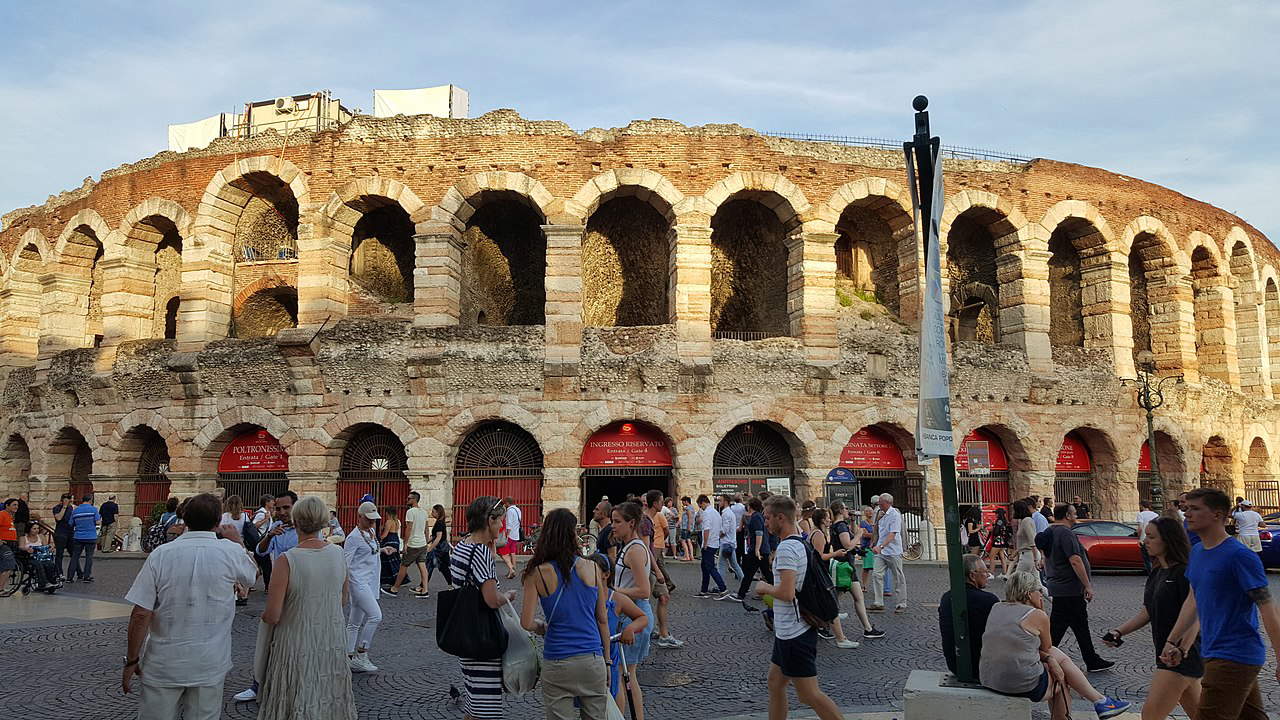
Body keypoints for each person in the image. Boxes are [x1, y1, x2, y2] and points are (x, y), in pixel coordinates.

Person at [122, 493, 258, 720]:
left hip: (163, 661)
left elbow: (141, 613)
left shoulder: (161, 554)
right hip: (209, 662)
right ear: (218, 522)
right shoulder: (230, 551)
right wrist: (238, 542)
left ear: (184, 519)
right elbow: (252, 575)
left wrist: (132, 659)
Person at [1163, 488, 1280, 720]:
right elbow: (1193, 599)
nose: (1187, 514)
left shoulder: (1240, 556)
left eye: (1195, 509)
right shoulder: (1197, 552)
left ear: (1217, 515)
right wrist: (1173, 641)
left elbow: (1268, 609)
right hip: (1213, 650)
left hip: (1236, 655)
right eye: (1186, 508)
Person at [256, 495, 357, 719]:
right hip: (330, 641)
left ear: (296, 521)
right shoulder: (338, 554)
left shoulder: (287, 560)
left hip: (295, 643)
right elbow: (342, 600)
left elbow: (273, 615)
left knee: (295, 699)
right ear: (323, 522)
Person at [980, 571, 1130, 719]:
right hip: (1020, 684)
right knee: (1061, 675)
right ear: (1029, 593)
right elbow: (1047, 648)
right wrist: (1041, 611)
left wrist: (1050, 660)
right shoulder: (1036, 615)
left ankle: (1101, 701)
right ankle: (1099, 702)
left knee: (1055, 662)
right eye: (1038, 590)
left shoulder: (997, 607)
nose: (1041, 594)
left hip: (989, 678)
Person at [754, 495, 846, 720]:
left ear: (780, 517)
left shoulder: (786, 549)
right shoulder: (801, 542)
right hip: (789, 630)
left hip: (795, 632)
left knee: (809, 695)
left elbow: (786, 593)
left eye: (767, 518)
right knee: (775, 683)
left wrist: (764, 587)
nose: (765, 523)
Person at [1103, 516, 1201, 720]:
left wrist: (1180, 647)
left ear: (1167, 540)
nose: (1145, 541)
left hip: (1181, 654)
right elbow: (1148, 611)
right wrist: (1118, 631)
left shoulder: (1185, 573)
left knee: (1150, 715)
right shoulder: (1157, 573)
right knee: (1200, 714)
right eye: (1145, 536)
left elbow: (1197, 613)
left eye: (1151, 536)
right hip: (1167, 651)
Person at [520, 508, 612, 720]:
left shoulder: (537, 572)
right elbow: (602, 620)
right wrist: (607, 662)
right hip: (592, 657)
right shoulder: (593, 568)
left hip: (558, 659)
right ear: (573, 534)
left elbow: (526, 622)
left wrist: (541, 627)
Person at [450, 496, 517, 720]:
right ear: (489, 520)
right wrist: (507, 595)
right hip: (483, 638)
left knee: (472, 705)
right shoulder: (480, 553)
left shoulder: (462, 546)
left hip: (466, 633)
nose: (502, 526)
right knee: (485, 710)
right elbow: (490, 599)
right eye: (500, 521)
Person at [235, 489, 298, 703]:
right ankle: (257, 685)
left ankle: (291, 685)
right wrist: (269, 535)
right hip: (278, 590)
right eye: (278, 508)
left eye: (285, 508)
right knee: (267, 640)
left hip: (298, 593)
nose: (281, 512)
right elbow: (261, 552)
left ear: (295, 507)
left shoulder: (306, 530)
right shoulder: (275, 526)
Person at [1036, 503, 1113, 672]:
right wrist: (1087, 585)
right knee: (1058, 627)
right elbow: (1075, 560)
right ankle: (1041, 657)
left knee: (1078, 625)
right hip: (1069, 588)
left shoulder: (1051, 531)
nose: (1076, 515)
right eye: (1073, 513)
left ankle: (1091, 659)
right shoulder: (1065, 533)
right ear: (1067, 515)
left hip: (1060, 586)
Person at [611, 501, 655, 719]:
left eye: (617, 522)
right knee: (627, 675)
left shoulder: (635, 549)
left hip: (634, 615)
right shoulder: (630, 546)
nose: (613, 526)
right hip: (631, 614)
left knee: (621, 675)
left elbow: (643, 589)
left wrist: (614, 590)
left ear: (631, 523)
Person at [345, 501, 392, 672]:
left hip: (370, 581)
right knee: (375, 616)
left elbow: (369, 552)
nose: (373, 523)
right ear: (359, 517)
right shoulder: (353, 538)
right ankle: (362, 654)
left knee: (354, 623)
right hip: (358, 582)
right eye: (369, 519)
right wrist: (344, 587)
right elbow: (346, 563)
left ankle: (347, 657)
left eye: (374, 520)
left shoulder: (371, 532)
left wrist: (382, 549)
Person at [939, 554, 999, 678]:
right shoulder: (988, 600)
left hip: (954, 663)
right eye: (985, 572)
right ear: (972, 576)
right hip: (981, 665)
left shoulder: (946, 598)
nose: (987, 575)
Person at [827, 501, 882, 639]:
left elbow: (849, 535)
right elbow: (847, 545)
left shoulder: (838, 525)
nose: (848, 510)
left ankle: (868, 628)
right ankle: (822, 625)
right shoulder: (840, 526)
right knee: (834, 600)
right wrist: (859, 535)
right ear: (840, 510)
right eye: (846, 508)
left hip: (846, 566)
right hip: (844, 567)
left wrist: (852, 522)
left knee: (857, 597)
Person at [807, 508, 858, 649]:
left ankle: (828, 627)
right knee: (830, 603)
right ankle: (840, 638)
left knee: (825, 604)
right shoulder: (818, 535)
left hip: (819, 572)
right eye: (828, 517)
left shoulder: (820, 533)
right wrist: (835, 553)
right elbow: (819, 557)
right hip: (819, 573)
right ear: (823, 520)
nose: (830, 519)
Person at [644, 490, 684, 647]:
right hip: (649, 564)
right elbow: (646, 548)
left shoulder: (650, 519)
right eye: (661, 502)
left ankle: (657, 631)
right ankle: (661, 635)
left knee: (660, 597)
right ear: (655, 503)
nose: (664, 505)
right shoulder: (646, 521)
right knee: (653, 598)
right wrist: (657, 570)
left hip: (649, 563)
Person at [385, 491, 429, 597]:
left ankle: (394, 589)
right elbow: (426, 529)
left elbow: (409, 528)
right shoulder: (424, 512)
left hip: (413, 544)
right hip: (422, 543)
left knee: (403, 566)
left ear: (414, 500)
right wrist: (426, 542)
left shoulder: (410, 512)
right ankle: (425, 590)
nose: (407, 500)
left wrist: (405, 543)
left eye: (409, 498)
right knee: (422, 566)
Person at [732, 497, 774, 603]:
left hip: (759, 550)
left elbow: (759, 533)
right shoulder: (758, 516)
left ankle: (741, 594)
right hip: (760, 549)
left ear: (750, 506)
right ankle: (741, 593)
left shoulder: (756, 517)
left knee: (755, 573)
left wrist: (757, 549)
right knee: (753, 573)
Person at [870, 493, 907, 613]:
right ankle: (878, 602)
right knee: (876, 574)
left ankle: (901, 603)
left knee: (898, 577)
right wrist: (874, 543)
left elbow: (893, 534)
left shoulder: (895, 515)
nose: (878, 504)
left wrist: (880, 546)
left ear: (887, 503)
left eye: (880, 502)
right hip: (881, 551)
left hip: (893, 551)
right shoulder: (881, 514)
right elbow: (877, 530)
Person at [695, 494, 726, 597]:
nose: (700, 508)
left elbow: (706, 529)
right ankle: (704, 590)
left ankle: (722, 587)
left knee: (710, 567)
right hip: (715, 543)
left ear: (703, 502)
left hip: (709, 544)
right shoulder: (716, 513)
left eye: (700, 506)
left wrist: (705, 543)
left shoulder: (707, 513)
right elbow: (720, 530)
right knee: (705, 566)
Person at [67, 494, 100, 582]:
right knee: (89, 557)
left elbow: (71, 523)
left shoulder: (76, 511)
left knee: (75, 557)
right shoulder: (94, 509)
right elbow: (97, 522)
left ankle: (69, 577)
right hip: (90, 536)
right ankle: (86, 576)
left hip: (78, 536)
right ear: (90, 500)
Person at [424, 503, 454, 592]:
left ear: (438, 512)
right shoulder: (439, 522)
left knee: (430, 565)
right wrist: (426, 543)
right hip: (442, 548)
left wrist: (430, 548)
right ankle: (451, 583)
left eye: (433, 511)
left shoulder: (439, 523)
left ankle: (423, 586)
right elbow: (434, 536)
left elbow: (438, 538)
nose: (432, 513)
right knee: (443, 567)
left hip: (440, 548)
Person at [718, 494, 743, 582]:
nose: (719, 502)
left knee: (721, 565)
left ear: (725, 502)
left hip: (726, 542)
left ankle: (720, 585)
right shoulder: (728, 512)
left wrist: (718, 536)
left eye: (720, 500)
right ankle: (744, 584)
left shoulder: (726, 513)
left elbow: (725, 530)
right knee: (735, 565)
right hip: (730, 542)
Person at [1012, 501, 1040, 575]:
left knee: (1019, 579)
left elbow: (1032, 540)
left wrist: (1036, 559)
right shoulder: (1024, 521)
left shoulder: (1026, 521)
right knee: (1035, 582)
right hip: (1028, 554)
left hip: (1028, 555)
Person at [51, 492, 74, 577]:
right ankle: (59, 572)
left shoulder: (71, 508)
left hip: (70, 533)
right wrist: (64, 507)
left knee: (73, 554)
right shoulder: (57, 508)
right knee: (59, 554)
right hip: (61, 533)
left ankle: (78, 572)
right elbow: (59, 518)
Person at [987, 507, 1013, 579]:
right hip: (1003, 541)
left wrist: (993, 529)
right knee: (1002, 557)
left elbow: (996, 531)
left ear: (998, 514)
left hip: (998, 541)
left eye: (996, 513)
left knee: (991, 556)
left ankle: (991, 573)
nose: (995, 514)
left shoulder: (999, 521)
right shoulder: (1004, 521)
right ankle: (1005, 573)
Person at [378, 506, 402, 587]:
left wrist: (379, 539)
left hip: (389, 541)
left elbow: (385, 534)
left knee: (386, 561)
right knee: (395, 561)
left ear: (388, 513)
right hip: (396, 540)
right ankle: (399, 579)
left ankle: (387, 579)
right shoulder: (397, 522)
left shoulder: (389, 522)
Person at [499, 496, 521, 579]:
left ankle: (511, 569)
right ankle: (513, 568)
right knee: (512, 552)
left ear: (508, 503)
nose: (505, 504)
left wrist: (507, 535)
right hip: (516, 534)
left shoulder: (510, 511)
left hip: (510, 534)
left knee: (504, 552)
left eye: (505, 503)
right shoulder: (518, 509)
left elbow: (509, 524)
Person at [1135, 499, 1160, 574]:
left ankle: (1151, 575)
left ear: (1142, 506)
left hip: (1144, 538)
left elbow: (1140, 528)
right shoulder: (1155, 515)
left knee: (1147, 559)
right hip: (1155, 538)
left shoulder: (1141, 514)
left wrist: (1139, 538)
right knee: (1154, 558)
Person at [0, 498, 17, 591]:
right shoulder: (2, 514)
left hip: (10, 544)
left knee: (4, 567)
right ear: (7, 505)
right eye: (14, 505)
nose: (16, 507)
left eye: (17, 505)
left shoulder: (10, 516)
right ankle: (1, 589)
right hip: (4, 544)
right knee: (8, 566)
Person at [859, 505, 877, 588]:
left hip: (876, 547)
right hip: (866, 547)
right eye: (867, 511)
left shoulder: (876, 522)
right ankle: (864, 585)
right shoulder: (863, 523)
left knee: (877, 568)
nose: (869, 512)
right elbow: (865, 535)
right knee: (866, 568)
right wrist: (875, 534)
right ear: (864, 513)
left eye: (870, 510)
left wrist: (873, 535)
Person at [678, 496, 696, 561]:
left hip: (685, 527)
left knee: (683, 541)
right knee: (688, 541)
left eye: (683, 501)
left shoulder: (688, 508)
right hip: (689, 527)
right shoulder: (692, 508)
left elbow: (690, 517)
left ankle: (687, 556)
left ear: (686, 501)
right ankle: (691, 556)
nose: (682, 503)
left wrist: (688, 526)